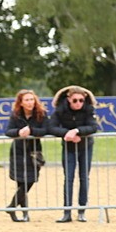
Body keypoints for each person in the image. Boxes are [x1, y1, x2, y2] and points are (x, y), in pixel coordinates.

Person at [49, 85, 100, 223]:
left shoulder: (88, 110)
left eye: (81, 100)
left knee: (84, 177)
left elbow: (93, 127)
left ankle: (82, 211)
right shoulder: (60, 110)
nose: (78, 103)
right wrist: (67, 134)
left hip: (86, 147)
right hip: (68, 148)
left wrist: (77, 131)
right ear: (68, 99)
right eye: (75, 100)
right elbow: (51, 127)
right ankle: (67, 212)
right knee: (69, 178)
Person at [3, 90, 48, 222]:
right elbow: (8, 131)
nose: (30, 102)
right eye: (27, 100)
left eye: (32, 99)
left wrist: (32, 131)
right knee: (21, 182)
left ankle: (12, 206)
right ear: (21, 103)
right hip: (18, 151)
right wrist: (18, 131)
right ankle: (24, 213)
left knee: (31, 179)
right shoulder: (15, 115)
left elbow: (46, 130)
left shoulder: (41, 114)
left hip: (34, 151)